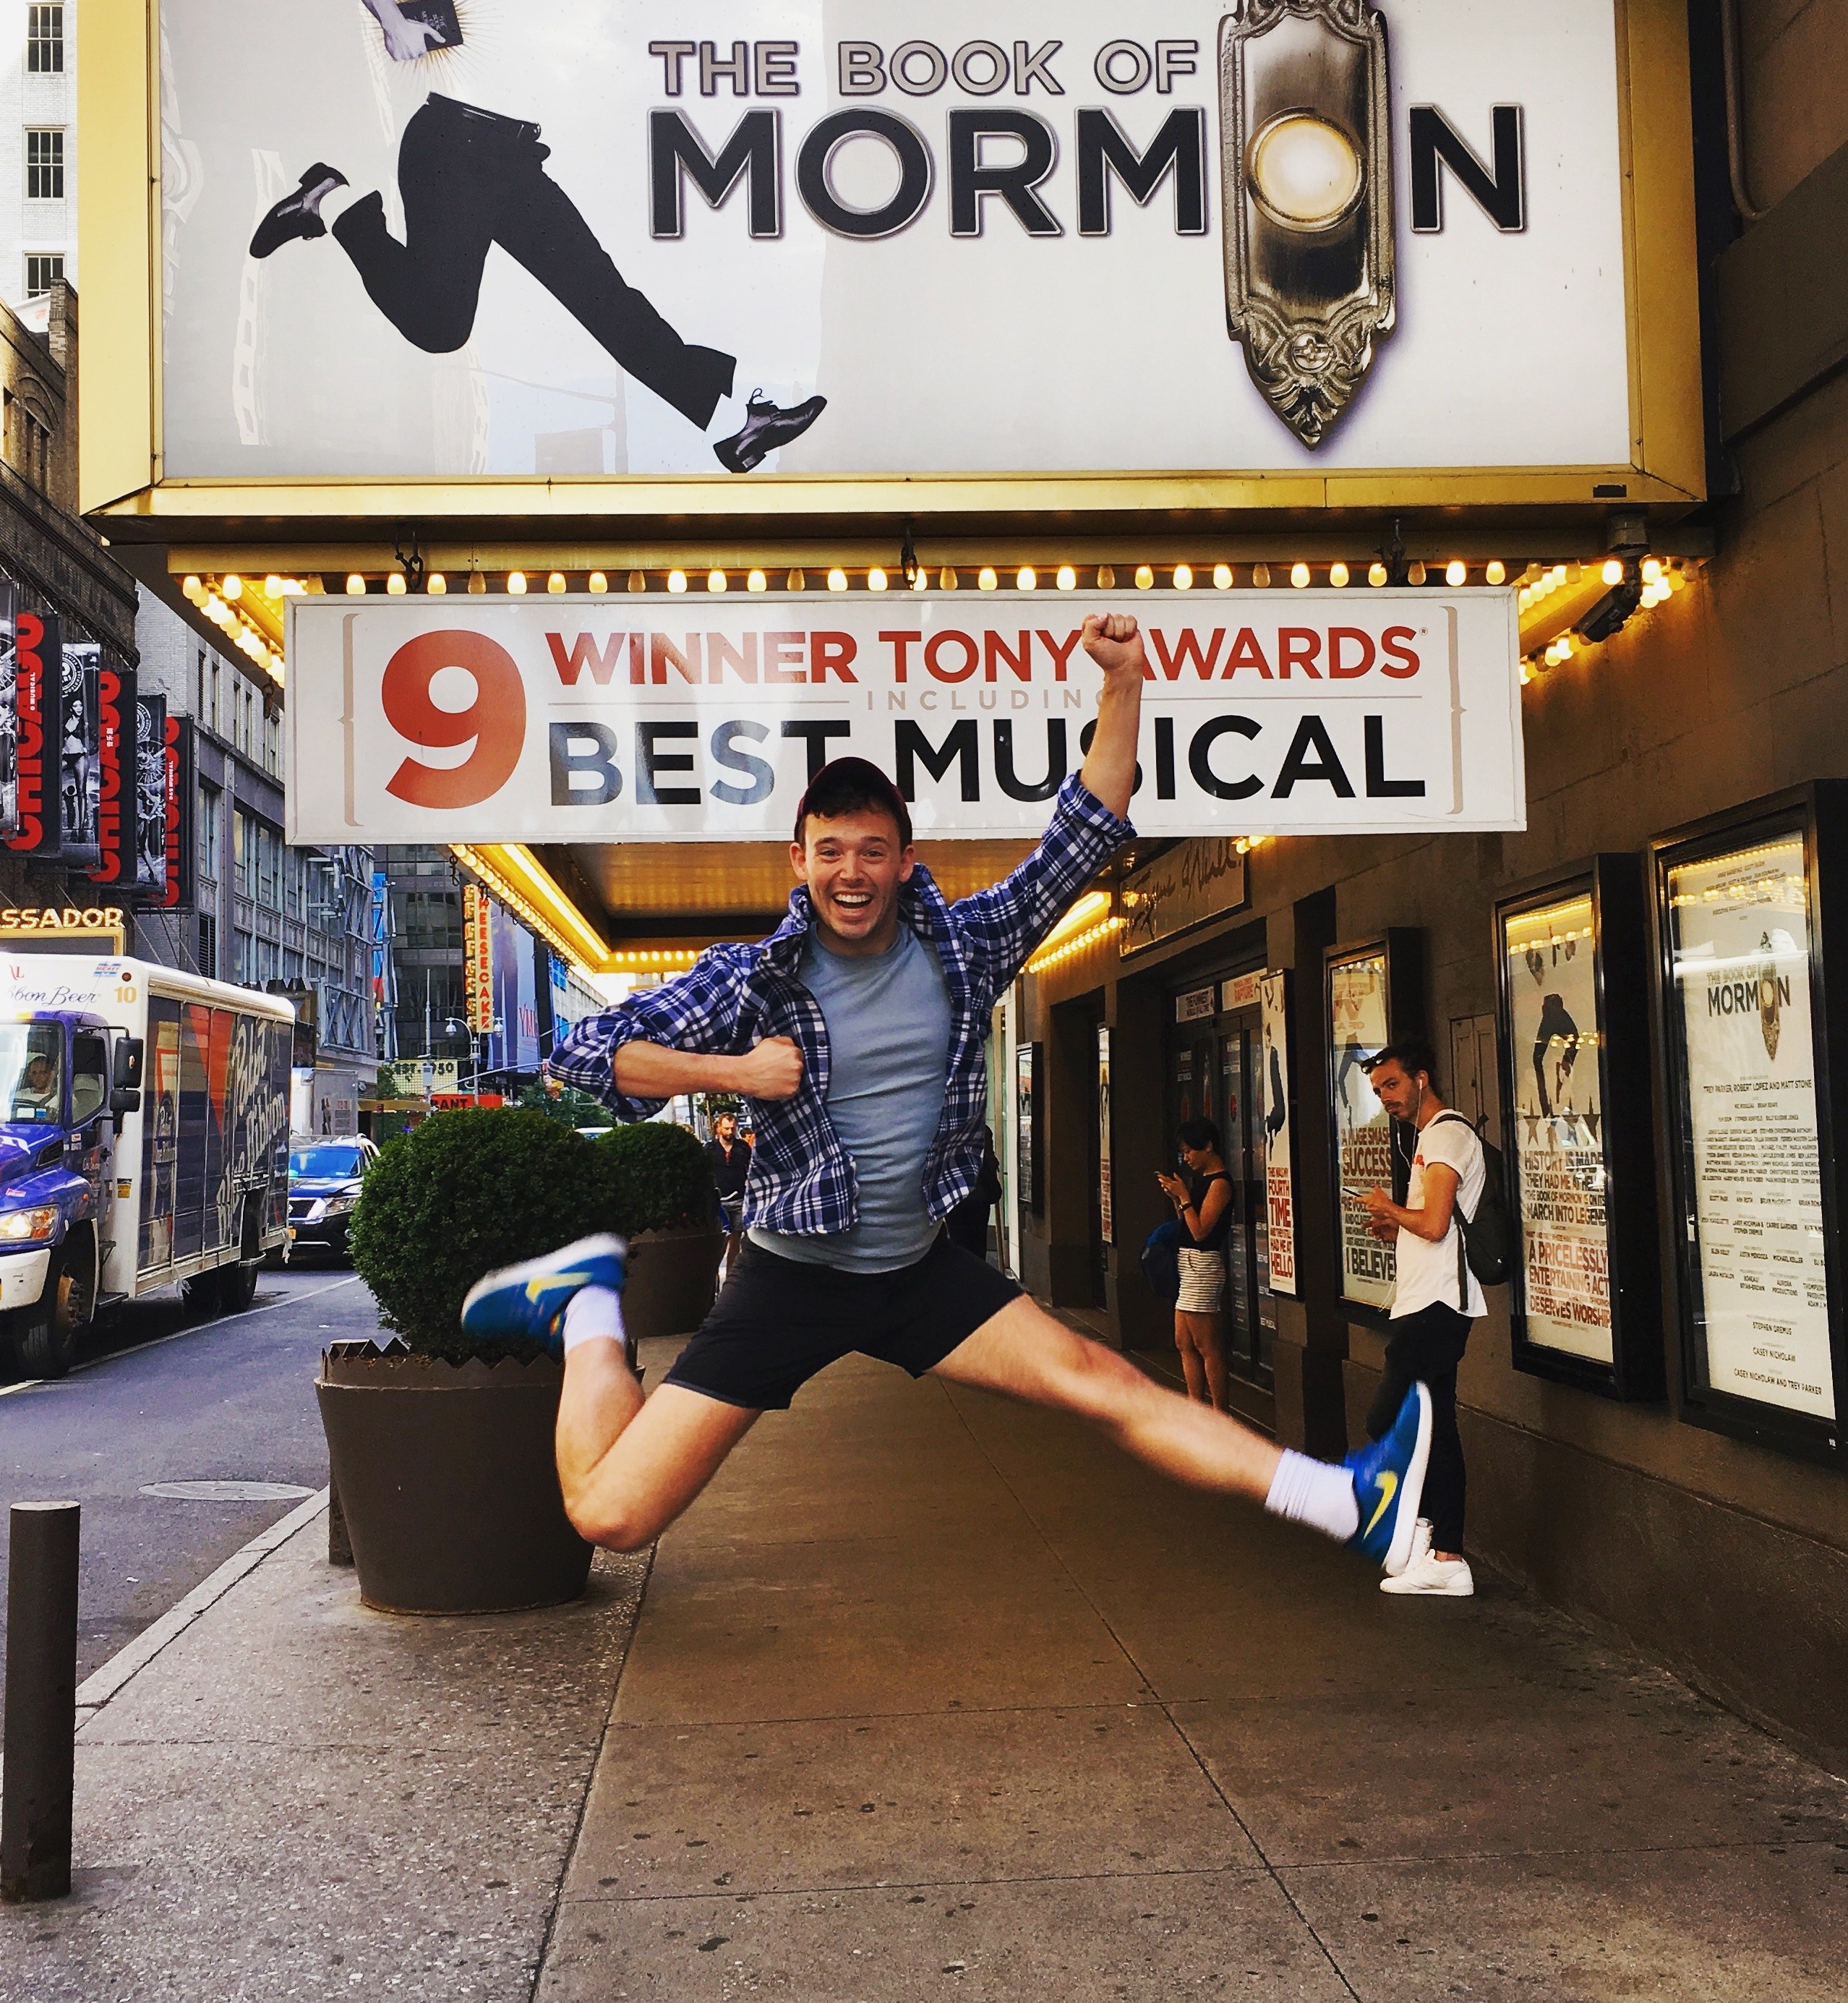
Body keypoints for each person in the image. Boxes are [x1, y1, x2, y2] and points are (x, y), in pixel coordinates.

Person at [461, 612, 1432, 1577]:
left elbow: (1081, 832)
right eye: (831, 850)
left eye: (872, 850)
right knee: (612, 1516)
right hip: (790, 1278)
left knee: (1102, 1381)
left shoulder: (964, 948)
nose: (852, 872)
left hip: (918, 1272)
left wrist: (1125, 683)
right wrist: (734, 1073)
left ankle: (1349, 1502)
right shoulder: (750, 980)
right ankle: (586, 1304)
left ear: (903, 861)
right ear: (798, 861)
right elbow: (584, 1053)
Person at [247, 0, 826, 474]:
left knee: (602, 297)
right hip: (451, 146)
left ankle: (740, 423)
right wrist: (391, 18)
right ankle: (330, 199)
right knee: (442, 329)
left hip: (516, 160)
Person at [1360, 1038, 1487, 1598]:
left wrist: (1389, 1207)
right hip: (1426, 1301)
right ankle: (1444, 1553)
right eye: (1377, 1090)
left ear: (1420, 1078)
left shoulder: (1447, 1135)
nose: (1385, 1097)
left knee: (1389, 1417)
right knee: (1437, 1427)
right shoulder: (1427, 1139)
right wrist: (1395, 1227)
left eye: (1391, 1084)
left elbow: (1435, 1224)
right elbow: (1432, 1228)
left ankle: (1423, 1530)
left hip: (1436, 1307)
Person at [1155, 1118, 1232, 1409]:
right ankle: (1196, 1406)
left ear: (1208, 1147)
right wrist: (1179, 1199)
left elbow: (1202, 1232)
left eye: (1190, 1151)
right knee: (1184, 1342)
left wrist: (1185, 1196)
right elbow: (1186, 1226)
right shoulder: (1200, 1182)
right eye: (1183, 1153)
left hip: (1203, 1265)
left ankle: (1219, 1413)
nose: (1186, 1158)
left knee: (1207, 1345)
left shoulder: (1220, 1183)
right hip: (1187, 1264)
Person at [946, 1125, 1004, 1261]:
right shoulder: (983, 1131)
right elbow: (989, 1161)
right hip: (978, 1195)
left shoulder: (948, 1130)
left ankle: (963, 1277)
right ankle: (977, 1277)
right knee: (978, 1243)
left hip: (955, 1196)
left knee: (958, 1243)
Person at [711, 1108, 751, 1275]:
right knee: (721, 1241)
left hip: (739, 1198)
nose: (730, 1131)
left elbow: (751, 1169)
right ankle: (713, 1275)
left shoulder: (743, 1148)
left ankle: (730, 1276)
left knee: (736, 1240)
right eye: (726, 1128)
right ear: (719, 1128)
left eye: (732, 1128)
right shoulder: (710, 1149)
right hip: (719, 1201)